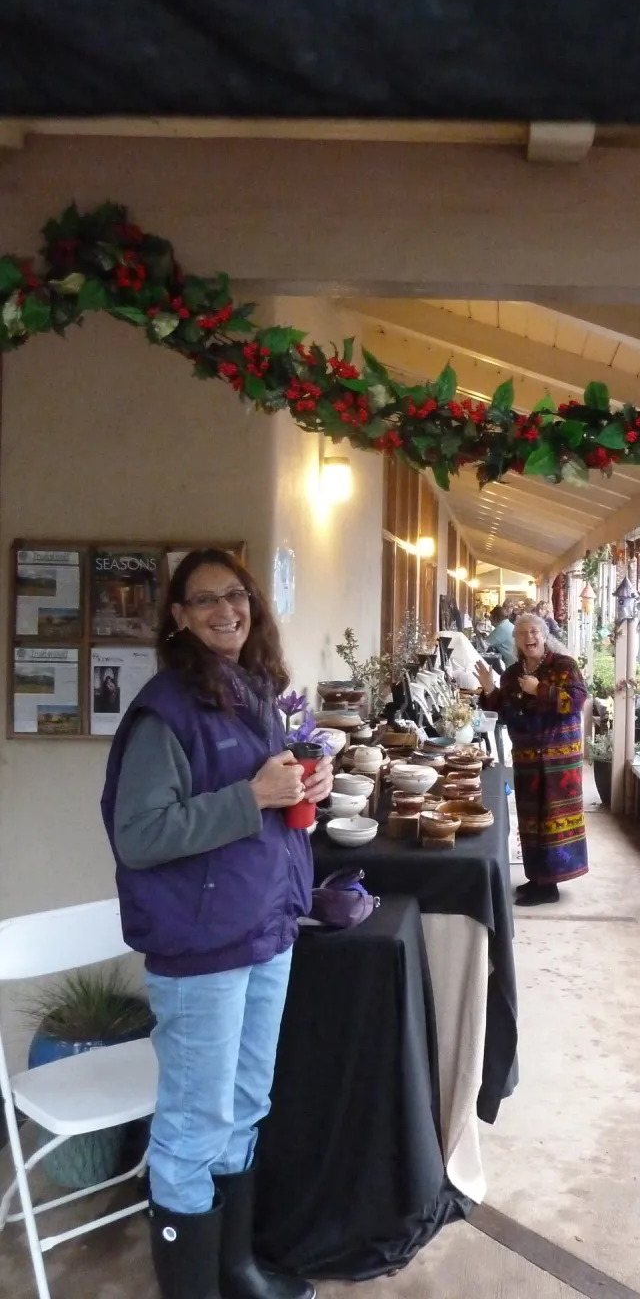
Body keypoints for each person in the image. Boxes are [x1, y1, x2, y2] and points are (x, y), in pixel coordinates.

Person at [100, 549, 332, 1299]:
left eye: (236, 596)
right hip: (202, 949)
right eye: (203, 602)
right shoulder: (164, 712)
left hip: (265, 928)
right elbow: (139, 834)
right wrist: (253, 797)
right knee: (196, 1126)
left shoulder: (256, 693)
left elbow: (268, 801)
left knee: (246, 1108)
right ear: (177, 619)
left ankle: (234, 1272)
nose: (224, 611)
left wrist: (306, 785)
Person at [475, 613, 588, 906]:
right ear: (515, 640)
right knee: (530, 818)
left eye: (534, 631)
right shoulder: (511, 674)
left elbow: (576, 700)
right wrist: (490, 689)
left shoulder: (564, 665)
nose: (529, 637)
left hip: (559, 759)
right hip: (526, 757)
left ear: (544, 634)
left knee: (552, 818)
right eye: (522, 633)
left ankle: (549, 886)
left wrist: (538, 689)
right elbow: (506, 712)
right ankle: (536, 877)